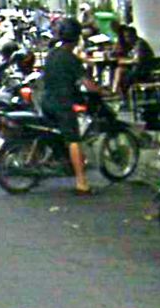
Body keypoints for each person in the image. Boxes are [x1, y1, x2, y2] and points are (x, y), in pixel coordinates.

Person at [41, 17, 105, 196]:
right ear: (77, 38)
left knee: (56, 133)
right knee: (74, 139)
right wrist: (102, 91)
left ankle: (60, 160)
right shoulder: (71, 59)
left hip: (46, 101)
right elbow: (88, 84)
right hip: (63, 104)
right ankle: (81, 183)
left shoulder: (52, 54)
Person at [112, 25, 154, 97]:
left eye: (128, 36)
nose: (126, 39)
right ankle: (117, 91)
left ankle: (116, 91)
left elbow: (137, 60)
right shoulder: (133, 45)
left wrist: (124, 61)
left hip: (143, 71)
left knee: (121, 73)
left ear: (134, 35)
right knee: (119, 70)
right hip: (136, 69)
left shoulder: (140, 44)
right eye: (125, 37)